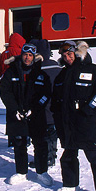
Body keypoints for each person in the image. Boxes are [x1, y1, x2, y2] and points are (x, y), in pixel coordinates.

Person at [51, 40, 96, 191]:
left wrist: (88, 110)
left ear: (77, 52)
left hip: (87, 123)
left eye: (69, 54)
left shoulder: (94, 71)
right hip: (68, 124)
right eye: (64, 56)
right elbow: (56, 98)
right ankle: (71, 184)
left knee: (95, 156)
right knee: (69, 155)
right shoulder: (62, 75)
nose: (67, 58)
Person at [0, 43, 53, 186]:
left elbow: (46, 94)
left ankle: (42, 172)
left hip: (36, 115)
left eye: (30, 55)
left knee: (40, 143)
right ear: (21, 55)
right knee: (19, 144)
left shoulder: (41, 75)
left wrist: (35, 108)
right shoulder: (11, 72)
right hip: (17, 115)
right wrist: (14, 109)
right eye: (25, 54)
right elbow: (5, 92)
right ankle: (21, 172)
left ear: (34, 57)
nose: (27, 58)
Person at [30, 39, 62, 167]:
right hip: (55, 108)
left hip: (41, 108)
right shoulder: (58, 68)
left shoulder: (36, 69)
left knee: (41, 135)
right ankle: (51, 156)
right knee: (52, 134)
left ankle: (44, 158)